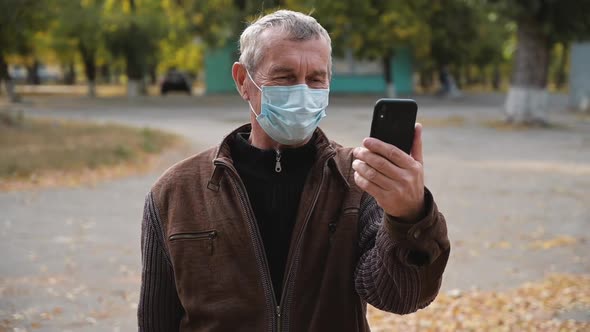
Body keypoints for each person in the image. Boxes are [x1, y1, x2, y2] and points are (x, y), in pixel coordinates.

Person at [138, 10, 450, 332]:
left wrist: (409, 217)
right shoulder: (176, 192)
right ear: (244, 81)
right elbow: (156, 320)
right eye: (285, 77)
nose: (302, 92)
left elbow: (400, 297)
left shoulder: (357, 180)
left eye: (316, 79)